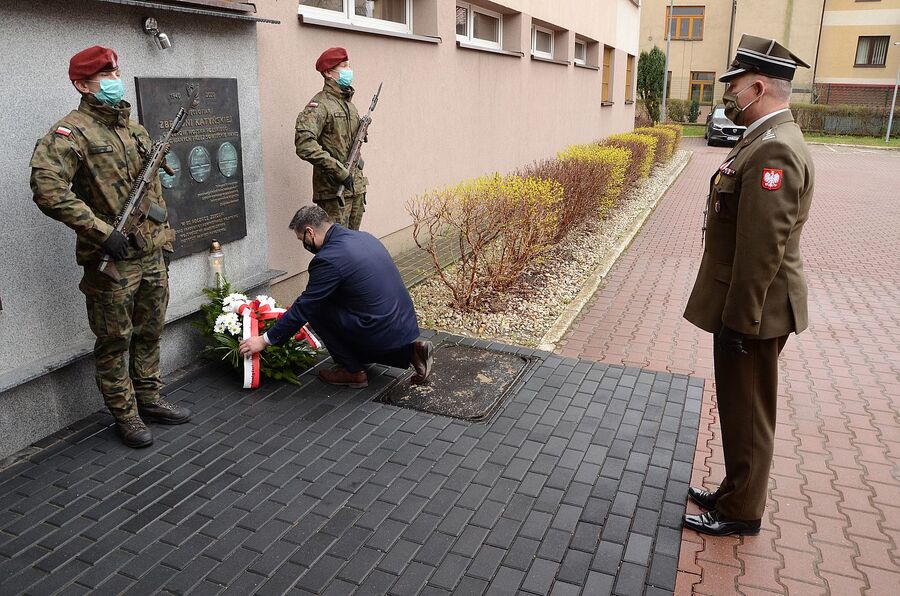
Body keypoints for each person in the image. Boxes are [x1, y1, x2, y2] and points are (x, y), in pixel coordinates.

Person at [682, 34, 814, 536]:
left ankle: (742, 513)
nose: (730, 95)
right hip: (754, 306)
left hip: (756, 310)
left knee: (750, 411)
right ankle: (735, 489)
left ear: (759, 86)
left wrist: (740, 318)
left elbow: (761, 249)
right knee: (739, 406)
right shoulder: (763, 138)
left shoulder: (774, 150)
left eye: (735, 85)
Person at [30, 46, 191, 448]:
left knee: (150, 331)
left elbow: (151, 192)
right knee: (114, 340)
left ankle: (151, 398)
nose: (114, 79)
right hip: (113, 261)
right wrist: (102, 231)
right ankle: (126, 415)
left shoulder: (133, 129)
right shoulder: (70, 133)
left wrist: (164, 239)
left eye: (116, 71)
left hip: (150, 254)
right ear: (82, 84)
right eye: (104, 74)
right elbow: (47, 190)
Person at [238, 205, 434, 387]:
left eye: (301, 240)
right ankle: (411, 352)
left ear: (310, 232)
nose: (304, 245)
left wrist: (264, 340)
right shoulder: (363, 237)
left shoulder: (328, 259)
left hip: (377, 326)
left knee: (317, 311)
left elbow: (306, 306)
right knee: (329, 307)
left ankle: (353, 372)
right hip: (403, 323)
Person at [295, 47, 368, 230]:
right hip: (333, 193)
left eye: (349, 66)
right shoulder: (320, 105)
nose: (348, 71)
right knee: (335, 248)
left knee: (353, 245)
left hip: (356, 188)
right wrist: (338, 170)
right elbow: (304, 144)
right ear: (328, 72)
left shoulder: (349, 106)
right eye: (343, 66)